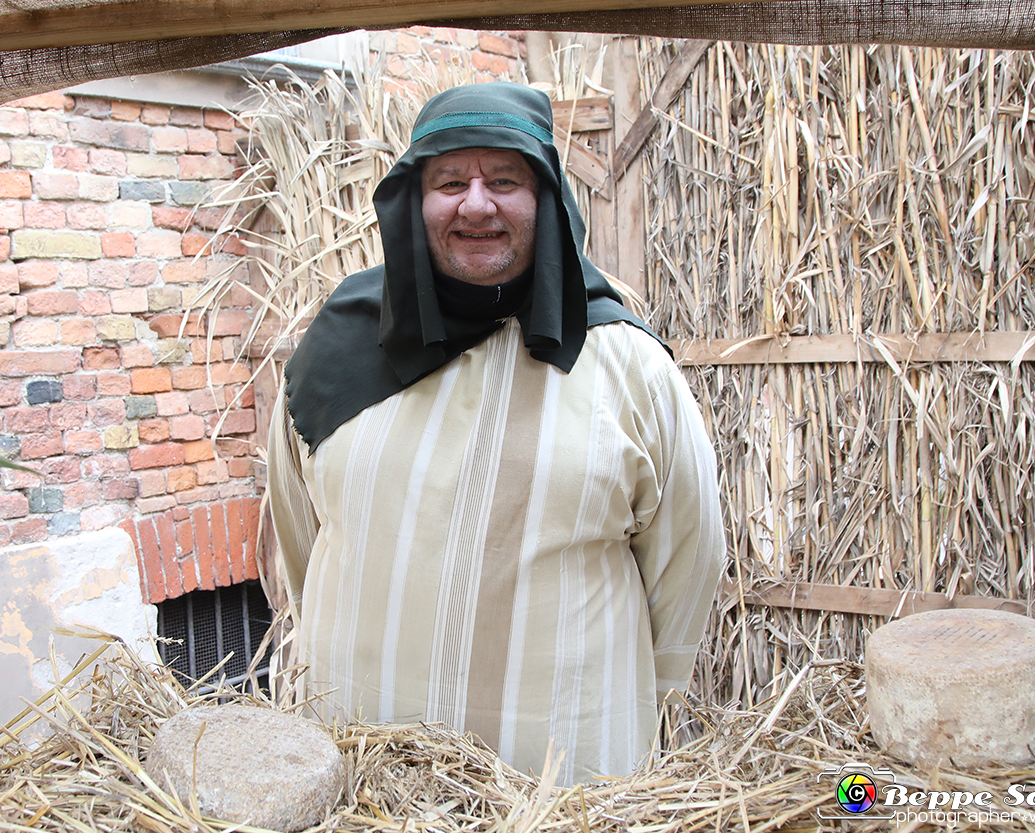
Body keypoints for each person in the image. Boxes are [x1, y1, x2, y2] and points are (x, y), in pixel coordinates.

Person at [268, 81, 725, 785]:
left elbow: (688, 560)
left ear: (546, 198)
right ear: (413, 203)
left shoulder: (629, 367)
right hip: (364, 787)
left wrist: (633, 702)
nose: (476, 203)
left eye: (504, 179)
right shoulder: (337, 352)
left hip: (566, 786)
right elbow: (303, 539)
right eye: (450, 179)